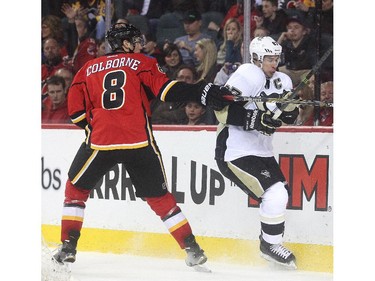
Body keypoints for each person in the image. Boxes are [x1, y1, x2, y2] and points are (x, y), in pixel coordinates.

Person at [52, 23, 234, 270]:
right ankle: (192, 249)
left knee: (75, 191)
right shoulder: (142, 63)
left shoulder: (87, 69)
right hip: (139, 141)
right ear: (126, 44)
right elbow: (166, 90)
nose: (139, 44)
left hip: (101, 141)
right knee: (160, 199)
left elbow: (75, 113)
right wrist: (201, 91)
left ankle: (68, 247)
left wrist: (96, 128)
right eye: (135, 41)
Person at [213, 36, 299, 269]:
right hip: (234, 150)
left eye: (276, 58)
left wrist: (291, 112)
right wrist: (255, 119)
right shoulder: (248, 74)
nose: (274, 63)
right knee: (275, 194)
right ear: (256, 59)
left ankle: (268, 244)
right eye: (269, 59)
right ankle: (270, 245)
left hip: (261, 151)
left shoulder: (283, 80)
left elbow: (290, 112)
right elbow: (220, 110)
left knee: (279, 195)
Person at [277, 14, 333, 86]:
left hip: (306, 72)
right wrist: (280, 40)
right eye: (289, 28)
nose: (292, 30)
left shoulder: (311, 42)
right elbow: (275, 60)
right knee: (275, 73)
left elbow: (315, 65)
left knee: (310, 78)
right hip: (290, 72)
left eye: (296, 27)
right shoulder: (286, 44)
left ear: (304, 31)